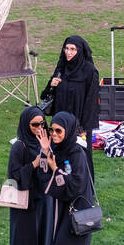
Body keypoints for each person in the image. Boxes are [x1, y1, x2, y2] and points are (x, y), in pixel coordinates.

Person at [39, 111, 95, 245]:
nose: (54, 134)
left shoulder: (77, 153)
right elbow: (45, 172)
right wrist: (46, 151)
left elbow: (77, 184)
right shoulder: (60, 149)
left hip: (79, 212)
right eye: (51, 129)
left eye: (58, 131)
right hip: (65, 209)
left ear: (68, 131)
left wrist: (56, 170)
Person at [42, 35, 101, 180]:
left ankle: (84, 191)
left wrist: (83, 128)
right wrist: (51, 85)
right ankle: (59, 185)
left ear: (80, 51)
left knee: (80, 157)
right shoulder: (62, 67)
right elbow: (46, 97)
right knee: (60, 154)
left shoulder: (89, 72)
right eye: (66, 48)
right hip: (60, 122)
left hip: (79, 123)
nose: (68, 52)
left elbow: (91, 103)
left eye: (73, 49)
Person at [7, 106, 53, 245]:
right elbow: (14, 175)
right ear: (26, 125)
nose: (39, 127)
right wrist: (34, 163)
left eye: (42, 123)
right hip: (24, 203)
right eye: (35, 125)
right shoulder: (19, 147)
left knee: (42, 237)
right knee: (26, 242)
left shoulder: (45, 142)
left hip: (43, 199)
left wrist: (47, 152)